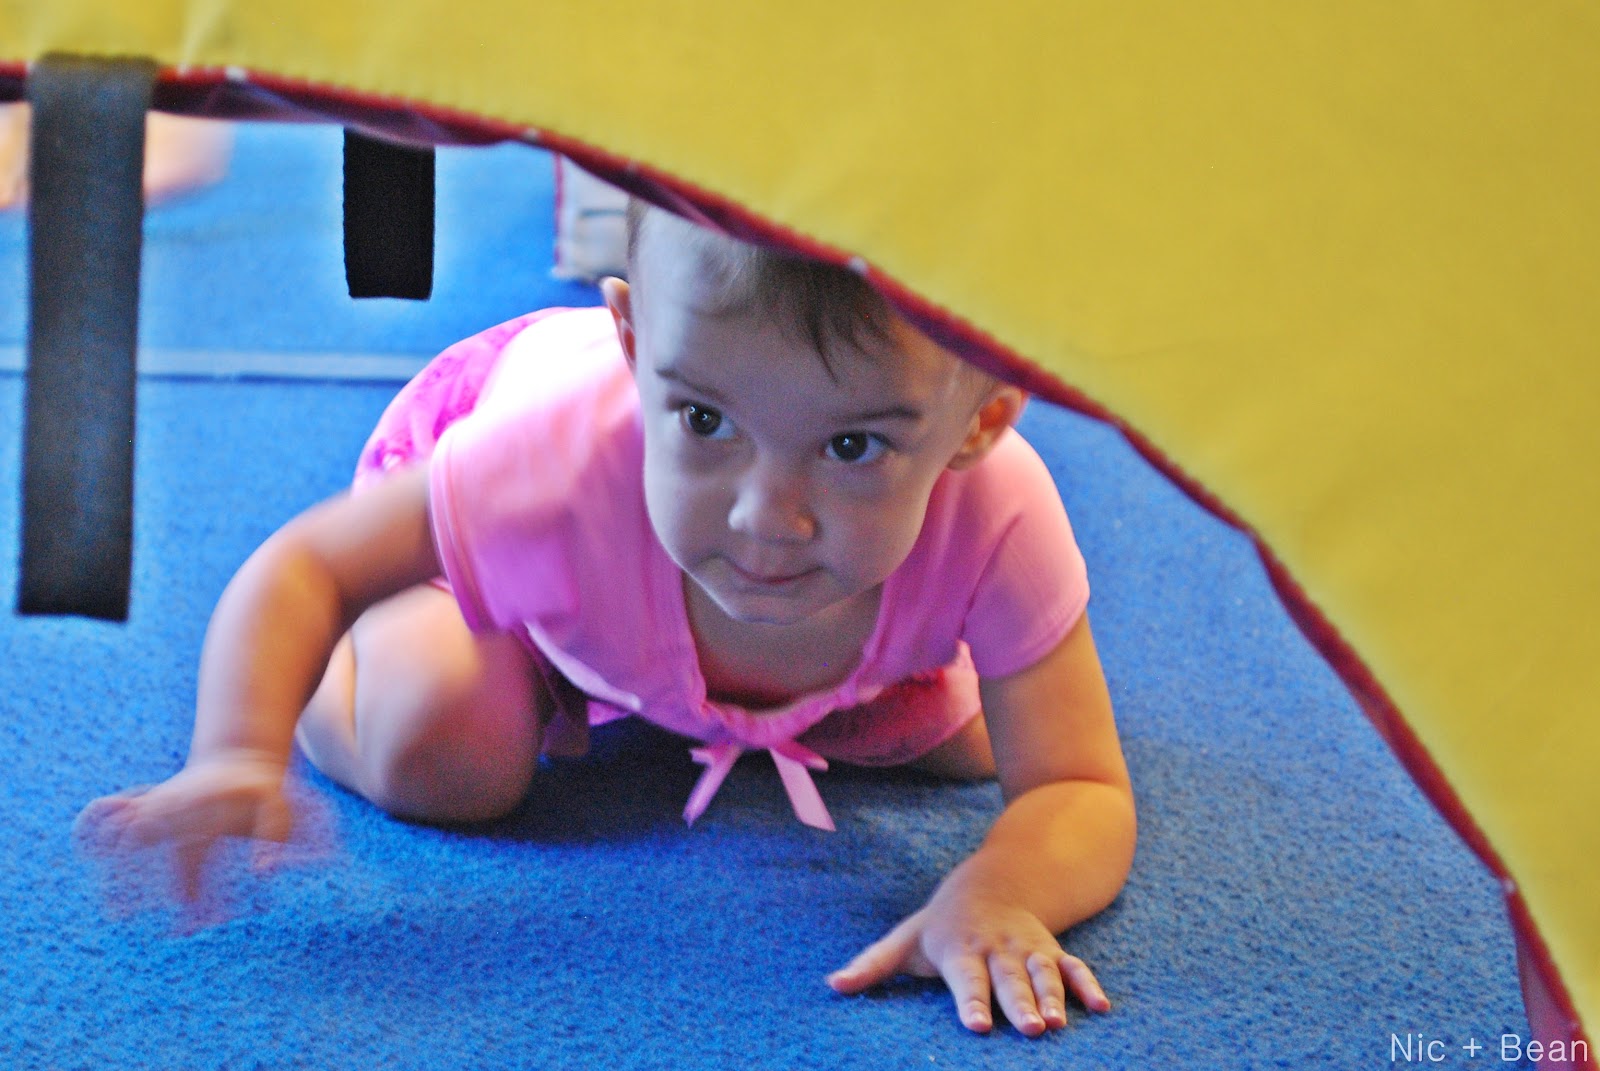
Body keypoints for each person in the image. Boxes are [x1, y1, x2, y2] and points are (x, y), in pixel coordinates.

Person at [79, 200, 1137, 1037]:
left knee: (979, 750)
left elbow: (1080, 786)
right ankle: (478, 668)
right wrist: (235, 751)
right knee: (442, 748)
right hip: (554, 562)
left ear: (982, 420)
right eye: (705, 420)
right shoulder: (552, 461)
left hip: (768, 631)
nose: (765, 518)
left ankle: (743, 698)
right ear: (631, 344)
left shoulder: (999, 515)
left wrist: (1000, 889)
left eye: (853, 447)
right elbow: (310, 566)